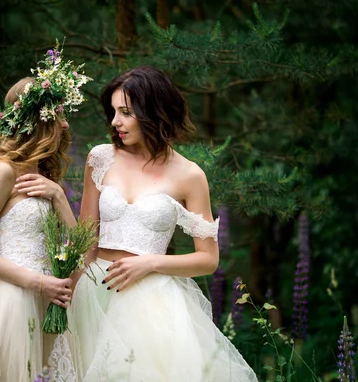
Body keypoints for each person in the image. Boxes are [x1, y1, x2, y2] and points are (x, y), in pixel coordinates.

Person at [67, 66, 258, 381]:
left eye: (125, 112)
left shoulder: (190, 175)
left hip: (150, 301)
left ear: (153, 113)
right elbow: (86, 237)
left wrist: (150, 264)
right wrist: (70, 294)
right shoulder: (100, 158)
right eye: (113, 112)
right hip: (94, 291)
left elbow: (208, 259)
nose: (115, 122)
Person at [0, 47, 91, 382]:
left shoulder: (46, 178)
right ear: (38, 121)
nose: (65, 123)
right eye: (58, 115)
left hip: (50, 304)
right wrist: (37, 282)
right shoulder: (2, 171)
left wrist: (59, 196)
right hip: (15, 300)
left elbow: (81, 254)